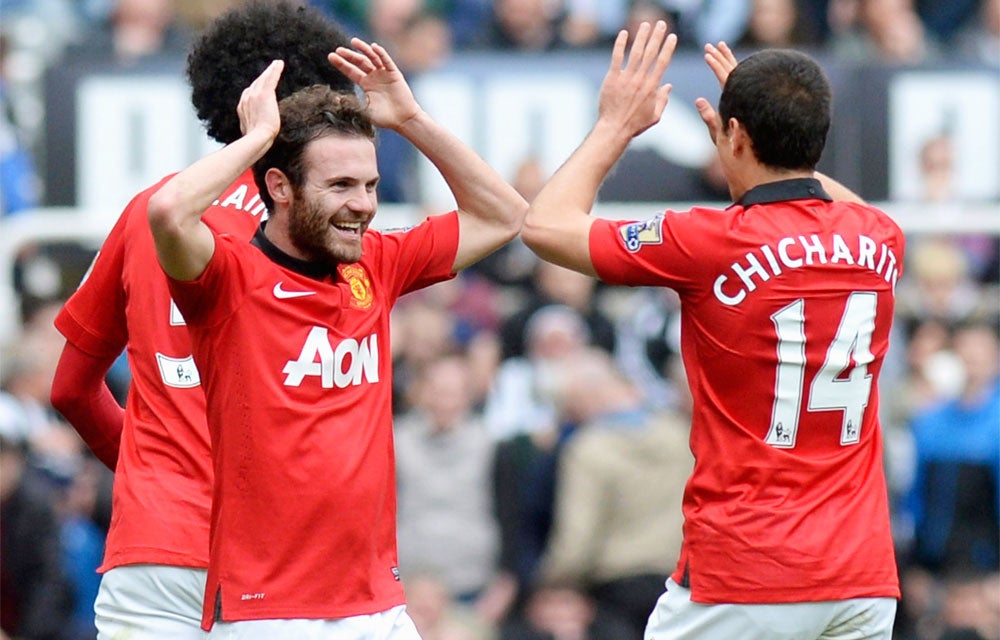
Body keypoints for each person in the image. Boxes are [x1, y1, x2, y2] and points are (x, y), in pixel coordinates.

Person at [520, 23, 904, 639]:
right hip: (860, 578)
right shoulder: (881, 238)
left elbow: (545, 226)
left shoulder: (708, 242)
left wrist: (615, 124)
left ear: (736, 134)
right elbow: (833, 199)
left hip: (745, 573)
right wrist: (769, 132)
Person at [145, 35, 526, 637]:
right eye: (341, 185)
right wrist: (257, 139)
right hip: (268, 611)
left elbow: (504, 215)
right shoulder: (226, 277)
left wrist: (411, 121)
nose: (363, 205)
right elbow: (168, 212)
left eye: (369, 185)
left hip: (378, 603)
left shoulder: (378, 262)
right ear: (280, 187)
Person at [48, 2, 355, 637]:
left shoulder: (150, 211)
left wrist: (147, 469)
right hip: (281, 557)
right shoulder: (322, 226)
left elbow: (70, 389)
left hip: (151, 550)